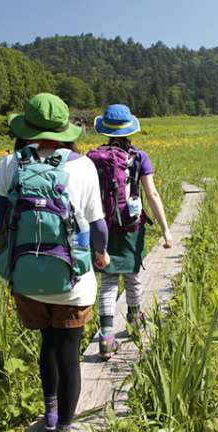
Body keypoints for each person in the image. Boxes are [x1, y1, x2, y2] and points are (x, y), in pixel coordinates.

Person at [0, 93, 110, 432]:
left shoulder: (9, 163)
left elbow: (1, 225)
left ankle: (50, 412)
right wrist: (101, 253)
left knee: (47, 342)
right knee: (68, 352)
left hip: (26, 280)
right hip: (72, 281)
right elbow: (98, 226)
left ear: (26, 128)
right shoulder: (83, 165)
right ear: (64, 130)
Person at [89, 104, 173, 360]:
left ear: (105, 131)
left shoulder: (92, 158)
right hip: (131, 225)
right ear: (130, 130)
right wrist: (166, 230)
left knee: (109, 279)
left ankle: (106, 335)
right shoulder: (139, 157)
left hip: (102, 225)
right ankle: (135, 320)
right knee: (132, 275)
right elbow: (152, 193)